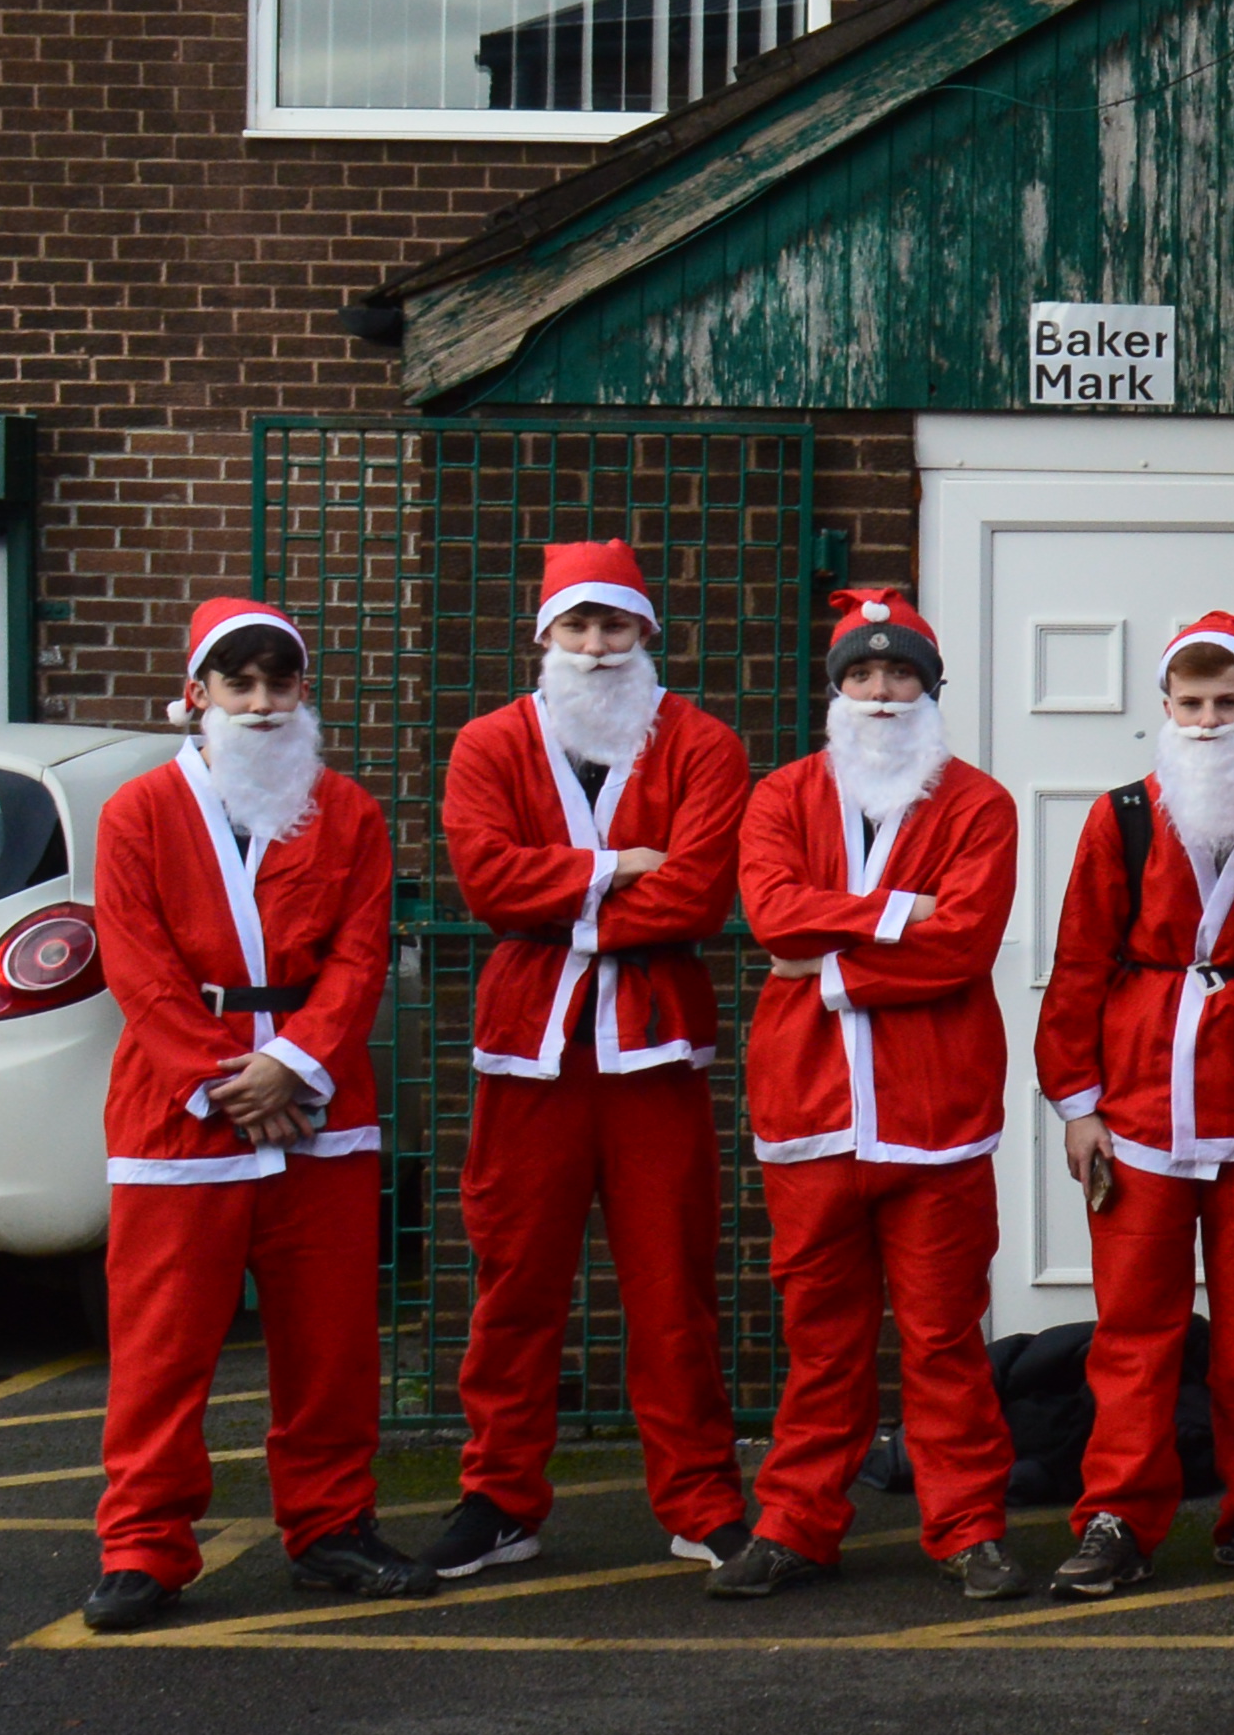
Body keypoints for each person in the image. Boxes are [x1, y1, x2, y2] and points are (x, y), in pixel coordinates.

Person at [77, 599, 422, 1631]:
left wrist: (294, 1066)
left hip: (317, 1105)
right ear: (198, 696)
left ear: (305, 691)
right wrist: (228, 1081)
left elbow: (361, 957)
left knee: (330, 1343)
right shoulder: (137, 813)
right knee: (160, 1343)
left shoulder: (348, 813)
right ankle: (142, 1545)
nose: (263, 703)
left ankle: (330, 1527)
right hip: (183, 1111)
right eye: (241, 683)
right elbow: (134, 963)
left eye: (282, 682)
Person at [429, 537, 751, 1583]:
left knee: (672, 1283)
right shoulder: (487, 744)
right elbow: (482, 880)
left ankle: (700, 1498)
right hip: (530, 1053)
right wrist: (616, 869)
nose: (599, 645)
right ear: (546, 638)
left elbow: (699, 893)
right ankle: (500, 1497)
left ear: (647, 634)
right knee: (514, 1280)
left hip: (652, 1051)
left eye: (616, 625)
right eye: (578, 625)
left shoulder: (703, 744)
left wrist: (559, 900)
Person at [727, 586, 1027, 1597]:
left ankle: (967, 1526)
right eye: (862, 673)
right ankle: (796, 1521)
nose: (882, 691)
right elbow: (772, 916)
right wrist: (900, 911)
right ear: (836, 688)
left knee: (945, 1338)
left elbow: (965, 944)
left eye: (903, 674)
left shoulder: (980, 804)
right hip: (808, 1112)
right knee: (821, 1337)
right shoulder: (780, 799)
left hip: (934, 1116)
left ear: (932, 691)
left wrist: (832, 961)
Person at [1028, 610, 1234, 1596]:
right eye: (1190, 703)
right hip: (1140, 1102)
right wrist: (1076, 1103)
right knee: (1133, 1325)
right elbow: (1077, 964)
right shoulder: (1123, 816)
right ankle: (1119, 1511)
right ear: (1162, 707)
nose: (1207, 719)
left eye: (1228, 702)